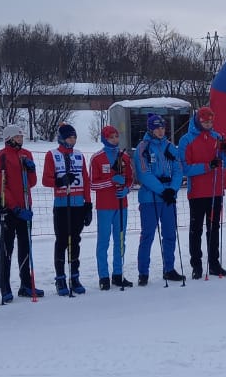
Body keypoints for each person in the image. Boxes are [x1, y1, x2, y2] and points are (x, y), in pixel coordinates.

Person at [178, 106, 226, 279]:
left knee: (214, 228)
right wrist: (207, 166)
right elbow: (185, 168)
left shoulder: (217, 137)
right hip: (197, 192)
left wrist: (225, 151)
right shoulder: (186, 140)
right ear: (198, 120)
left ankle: (214, 264)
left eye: (210, 121)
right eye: (205, 121)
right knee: (196, 229)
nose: (208, 124)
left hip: (215, 191)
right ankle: (197, 265)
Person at [133, 113, 185, 285]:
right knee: (147, 235)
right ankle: (143, 272)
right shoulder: (143, 147)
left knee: (170, 234)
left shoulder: (170, 147)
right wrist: (162, 190)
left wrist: (173, 189)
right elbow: (144, 173)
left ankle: (169, 268)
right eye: (157, 128)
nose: (161, 131)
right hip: (150, 198)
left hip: (168, 197)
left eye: (162, 127)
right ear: (150, 129)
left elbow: (178, 169)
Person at [0, 122, 42, 300]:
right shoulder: (2, 157)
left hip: (26, 207)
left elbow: (32, 183)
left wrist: (31, 170)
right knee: (7, 248)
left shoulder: (26, 154)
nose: (20, 139)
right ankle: (4, 285)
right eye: (17, 137)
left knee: (25, 246)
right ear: (9, 138)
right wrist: (14, 207)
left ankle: (26, 283)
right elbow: (1, 185)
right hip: (11, 209)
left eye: (22, 137)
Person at [42, 122, 91, 296]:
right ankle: (60, 278)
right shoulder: (52, 155)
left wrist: (88, 203)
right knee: (62, 241)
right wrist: (60, 181)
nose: (73, 139)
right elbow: (46, 180)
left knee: (75, 241)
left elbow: (85, 179)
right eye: (70, 136)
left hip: (78, 204)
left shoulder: (79, 155)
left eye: (74, 136)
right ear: (62, 138)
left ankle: (74, 276)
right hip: (63, 204)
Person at [89, 124, 136, 290]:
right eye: (111, 137)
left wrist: (126, 189)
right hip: (104, 207)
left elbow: (130, 179)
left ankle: (118, 274)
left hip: (121, 205)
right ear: (104, 139)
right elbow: (93, 184)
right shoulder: (97, 158)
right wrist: (111, 181)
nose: (115, 140)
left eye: (116, 137)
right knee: (103, 241)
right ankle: (103, 276)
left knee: (120, 240)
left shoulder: (124, 157)